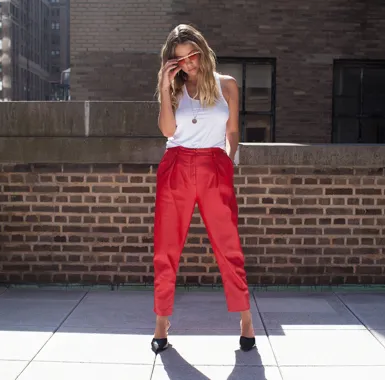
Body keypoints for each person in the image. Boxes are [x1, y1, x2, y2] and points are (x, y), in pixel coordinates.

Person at [151, 24, 256, 354]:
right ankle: (161, 322)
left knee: (229, 246)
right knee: (166, 249)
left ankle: (246, 320)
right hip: (176, 165)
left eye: (192, 55)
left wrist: (227, 162)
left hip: (214, 166)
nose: (188, 63)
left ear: (203, 52)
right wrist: (163, 85)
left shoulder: (227, 85)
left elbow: (233, 131)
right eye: (179, 59)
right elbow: (167, 129)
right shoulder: (173, 87)